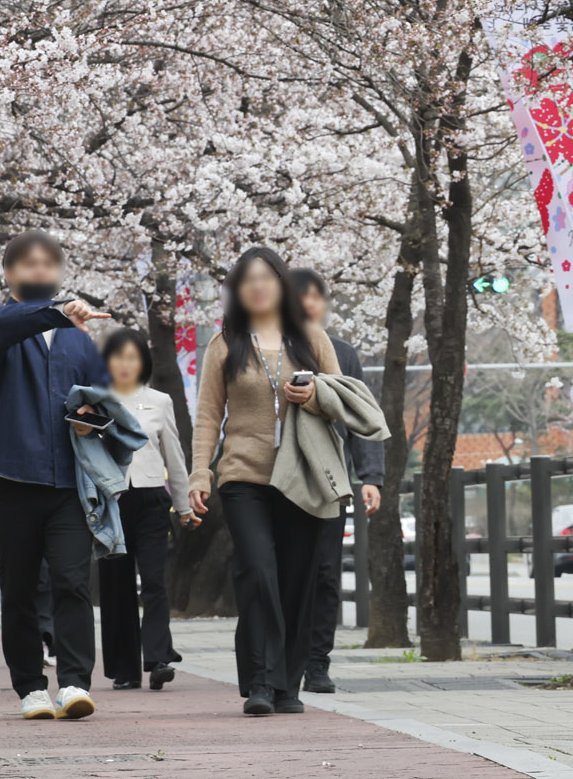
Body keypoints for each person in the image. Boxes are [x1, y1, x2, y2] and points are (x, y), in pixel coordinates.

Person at [189, 245, 341, 717]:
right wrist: (200, 471)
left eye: (267, 277)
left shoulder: (311, 337)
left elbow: (342, 398)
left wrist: (314, 394)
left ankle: (286, 683)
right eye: (248, 279)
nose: (258, 286)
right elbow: (209, 414)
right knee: (258, 573)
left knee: (297, 581)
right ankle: (259, 680)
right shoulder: (224, 343)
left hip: (302, 478)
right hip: (243, 476)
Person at [0, 229, 110, 721]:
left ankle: (74, 682)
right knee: (21, 586)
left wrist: (99, 414)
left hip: (71, 481)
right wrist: (58, 313)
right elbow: (9, 323)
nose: (39, 271)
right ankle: (30, 686)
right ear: (8, 273)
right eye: (28, 264)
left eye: (48, 264)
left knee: (73, 582)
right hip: (12, 479)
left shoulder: (79, 339)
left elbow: (102, 395)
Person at [290, 268, 383, 694]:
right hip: (282, 481)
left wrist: (370, 476)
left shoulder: (343, 353)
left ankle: (317, 663)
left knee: (326, 573)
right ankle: (282, 661)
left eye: (316, 296)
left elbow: (362, 415)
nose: (309, 303)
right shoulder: (269, 349)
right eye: (300, 295)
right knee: (285, 573)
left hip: (331, 480)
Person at [96, 327, 196, 691]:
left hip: (153, 499)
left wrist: (184, 506)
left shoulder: (160, 401)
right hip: (111, 502)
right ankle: (124, 668)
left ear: (143, 363)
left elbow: (176, 456)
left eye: (132, 357)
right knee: (116, 585)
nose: (125, 364)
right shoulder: (95, 400)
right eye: (118, 356)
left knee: (154, 581)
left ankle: (158, 659)